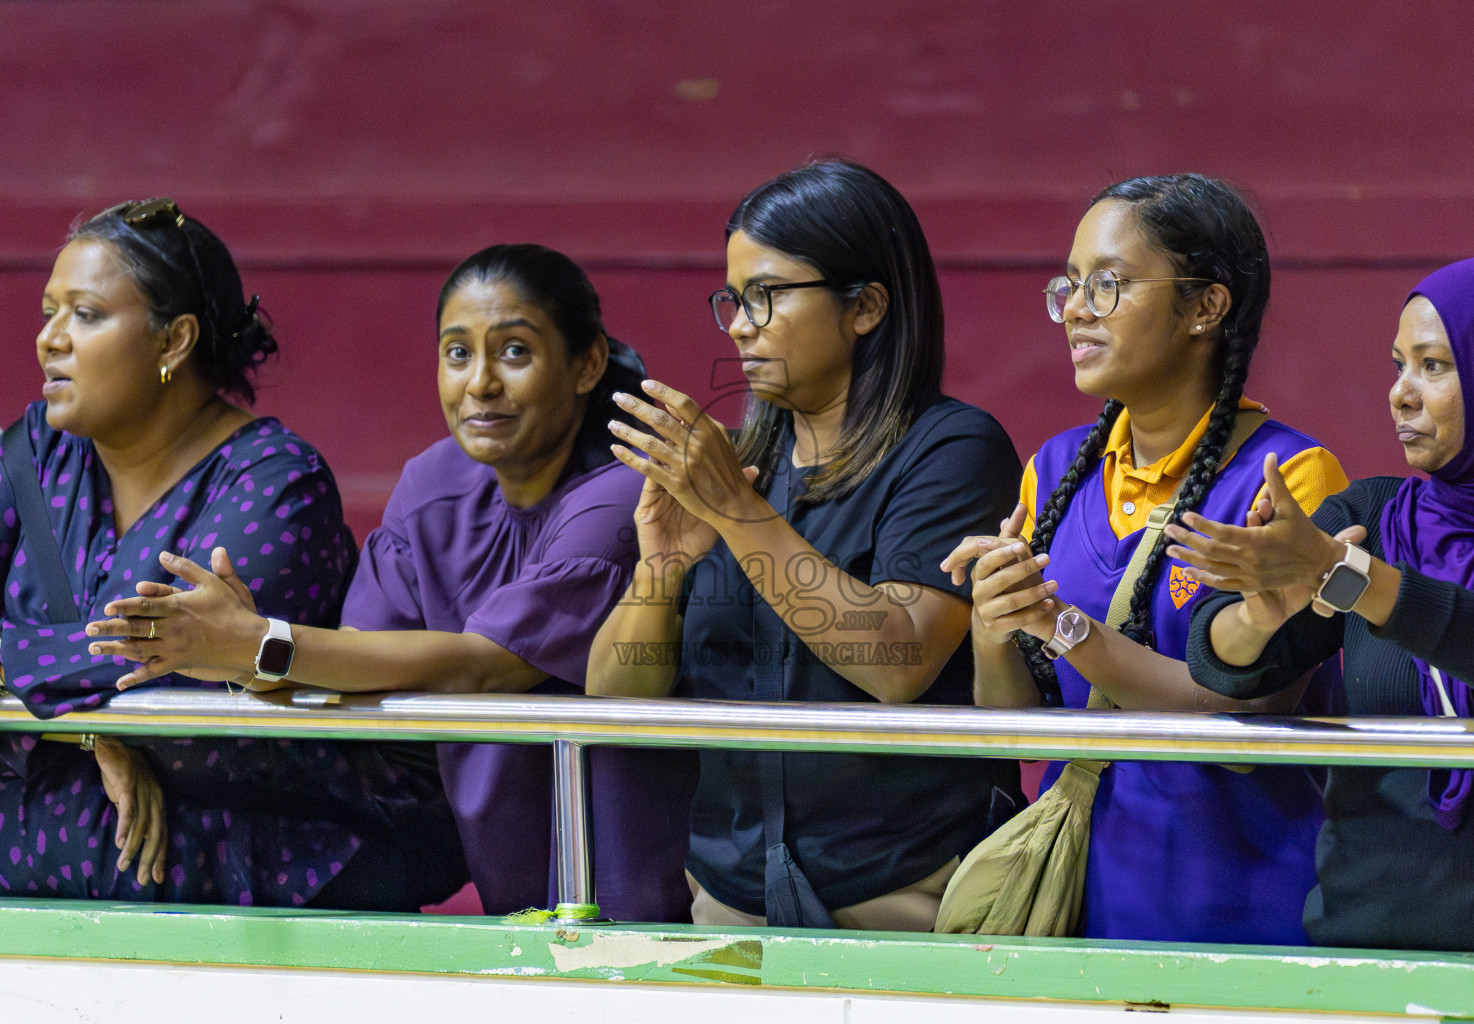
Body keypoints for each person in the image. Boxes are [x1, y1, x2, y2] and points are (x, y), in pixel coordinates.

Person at [90, 244, 696, 922]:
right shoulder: (434, 484)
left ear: (586, 364)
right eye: (458, 353)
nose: (481, 384)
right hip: (515, 891)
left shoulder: (628, 490)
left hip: (651, 890)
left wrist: (262, 646)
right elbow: (356, 656)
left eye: (516, 352)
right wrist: (246, 656)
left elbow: (486, 669)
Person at [587, 160, 1022, 931]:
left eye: (768, 295)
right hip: (731, 896)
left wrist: (738, 514)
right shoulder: (742, 458)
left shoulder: (952, 447)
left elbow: (899, 661)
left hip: (909, 892)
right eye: (732, 299)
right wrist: (660, 565)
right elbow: (616, 706)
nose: (739, 324)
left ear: (866, 306)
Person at [0, 198, 461, 908]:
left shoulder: (275, 480)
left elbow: (187, 674)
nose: (50, 339)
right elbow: (136, 671)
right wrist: (93, 735)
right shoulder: (32, 453)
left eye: (85, 315)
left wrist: (37, 684)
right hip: (30, 900)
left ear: (173, 341)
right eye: (47, 312)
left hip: (247, 911)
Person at [942, 174, 1349, 944]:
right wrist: (994, 628)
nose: (1077, 310)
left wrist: (1058, 623)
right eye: (1069, 285)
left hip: (1248, 903)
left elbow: (1243, 713)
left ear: (1206, 306)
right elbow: (1019, 736)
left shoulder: (1294, 478)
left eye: (1110, 283)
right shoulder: (1054, 470)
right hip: (1079, 899)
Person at [1178, 252, 1474, 954]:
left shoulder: (1360, 549)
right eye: (1398, 364)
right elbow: (1224, 669)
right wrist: (1258, 613)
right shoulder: (1373, 513)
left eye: (1434, 366)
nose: (1401, 393)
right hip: (1360, 949)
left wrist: (1346, 574)